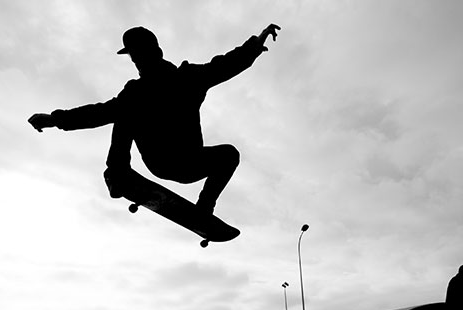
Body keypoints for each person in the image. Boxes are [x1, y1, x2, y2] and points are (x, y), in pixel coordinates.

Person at [28, 24, 281, 217]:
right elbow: (98, 113)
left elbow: (225, 65)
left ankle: (203, 208)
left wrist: (255, 46)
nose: (136, 62)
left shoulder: (187, 78)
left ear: (156, 52)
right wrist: (55, 119)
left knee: (228, 154)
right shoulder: (140, 90)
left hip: (183, 160)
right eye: (133, 58)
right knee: (124, 110)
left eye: (139, 56)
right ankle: (119, 173)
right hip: (165, 160)